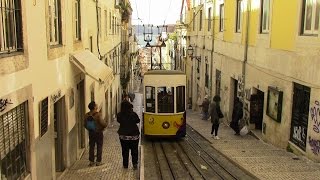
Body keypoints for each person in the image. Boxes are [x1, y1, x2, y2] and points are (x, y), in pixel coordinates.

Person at [117, 101, 140, 170]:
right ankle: (135, 164)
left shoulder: (119, 115)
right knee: (134, 150)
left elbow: (119, 121)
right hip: (134, 136)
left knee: (125, 151)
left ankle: (125, 165)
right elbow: (138, 120)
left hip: (123, 136)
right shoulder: (133, 114)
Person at [84, 101, 107, 166]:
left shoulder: (86, 115)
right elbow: (102, 123)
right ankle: (98, 161)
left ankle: (91, 162)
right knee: (99, 146)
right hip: (98, 133)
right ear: (94, 107)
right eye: (96, 105)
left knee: (91, 146)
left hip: (91, 132)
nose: (97, 106)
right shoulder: (98, 115)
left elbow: (85, 124)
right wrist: (105, 125)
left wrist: (89, 129)